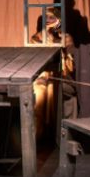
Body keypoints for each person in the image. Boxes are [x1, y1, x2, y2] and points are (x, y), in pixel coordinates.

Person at [30, 7, 78, 140]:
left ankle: (57, 136)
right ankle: (37, 136)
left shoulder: (66, 38)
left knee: (53, 90)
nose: (48, 20)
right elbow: (34, 62)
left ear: (59, 19)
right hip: (42, 78)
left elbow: (70, 67)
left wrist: (58, 47)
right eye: (46, 17)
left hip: (62, 78)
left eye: (52, 17)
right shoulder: (36, 38)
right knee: (38, 93)